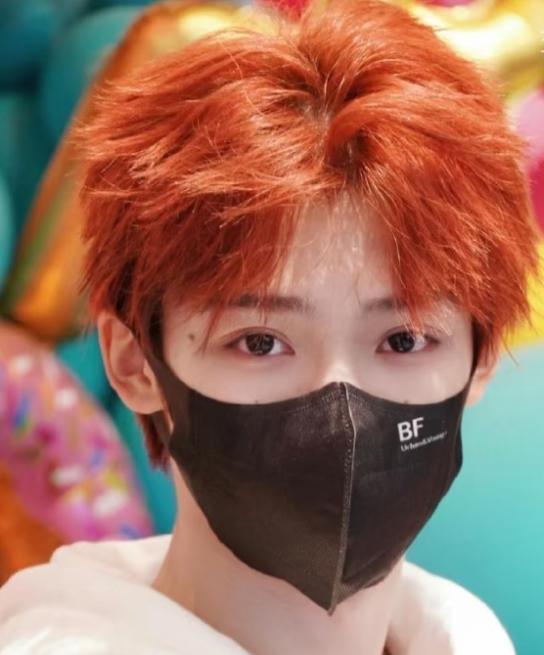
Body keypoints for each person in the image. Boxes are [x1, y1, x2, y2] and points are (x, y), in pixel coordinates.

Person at [0, 0, 540, 653]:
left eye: (404, 339)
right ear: (134, 361)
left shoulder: (466, 635)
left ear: (482, 357)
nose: (341, 417)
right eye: (260, 341)